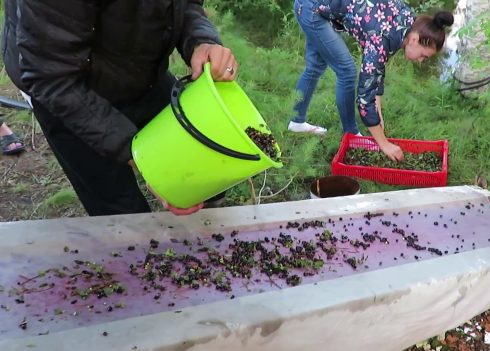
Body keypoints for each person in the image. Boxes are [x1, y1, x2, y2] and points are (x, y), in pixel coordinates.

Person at [2, 0, 238, 216]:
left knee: (202, 161)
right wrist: (144, 157)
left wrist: (200, 39)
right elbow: (52, 79)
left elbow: (185, 5)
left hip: (139, 67)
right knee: (120, 209)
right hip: (65, 89)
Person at [289, 0, 453, 161]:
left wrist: (378, 112)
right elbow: (365, 97)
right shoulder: (383, 37)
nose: (421, 61)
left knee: (315, 67)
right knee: (347, 71)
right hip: (311, 9)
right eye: (423, 56)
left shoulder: (407, 20)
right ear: (415, 40)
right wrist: (384, 144)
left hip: (314, 5)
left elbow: (377, 70)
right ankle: (352, 135)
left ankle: (296, 122)